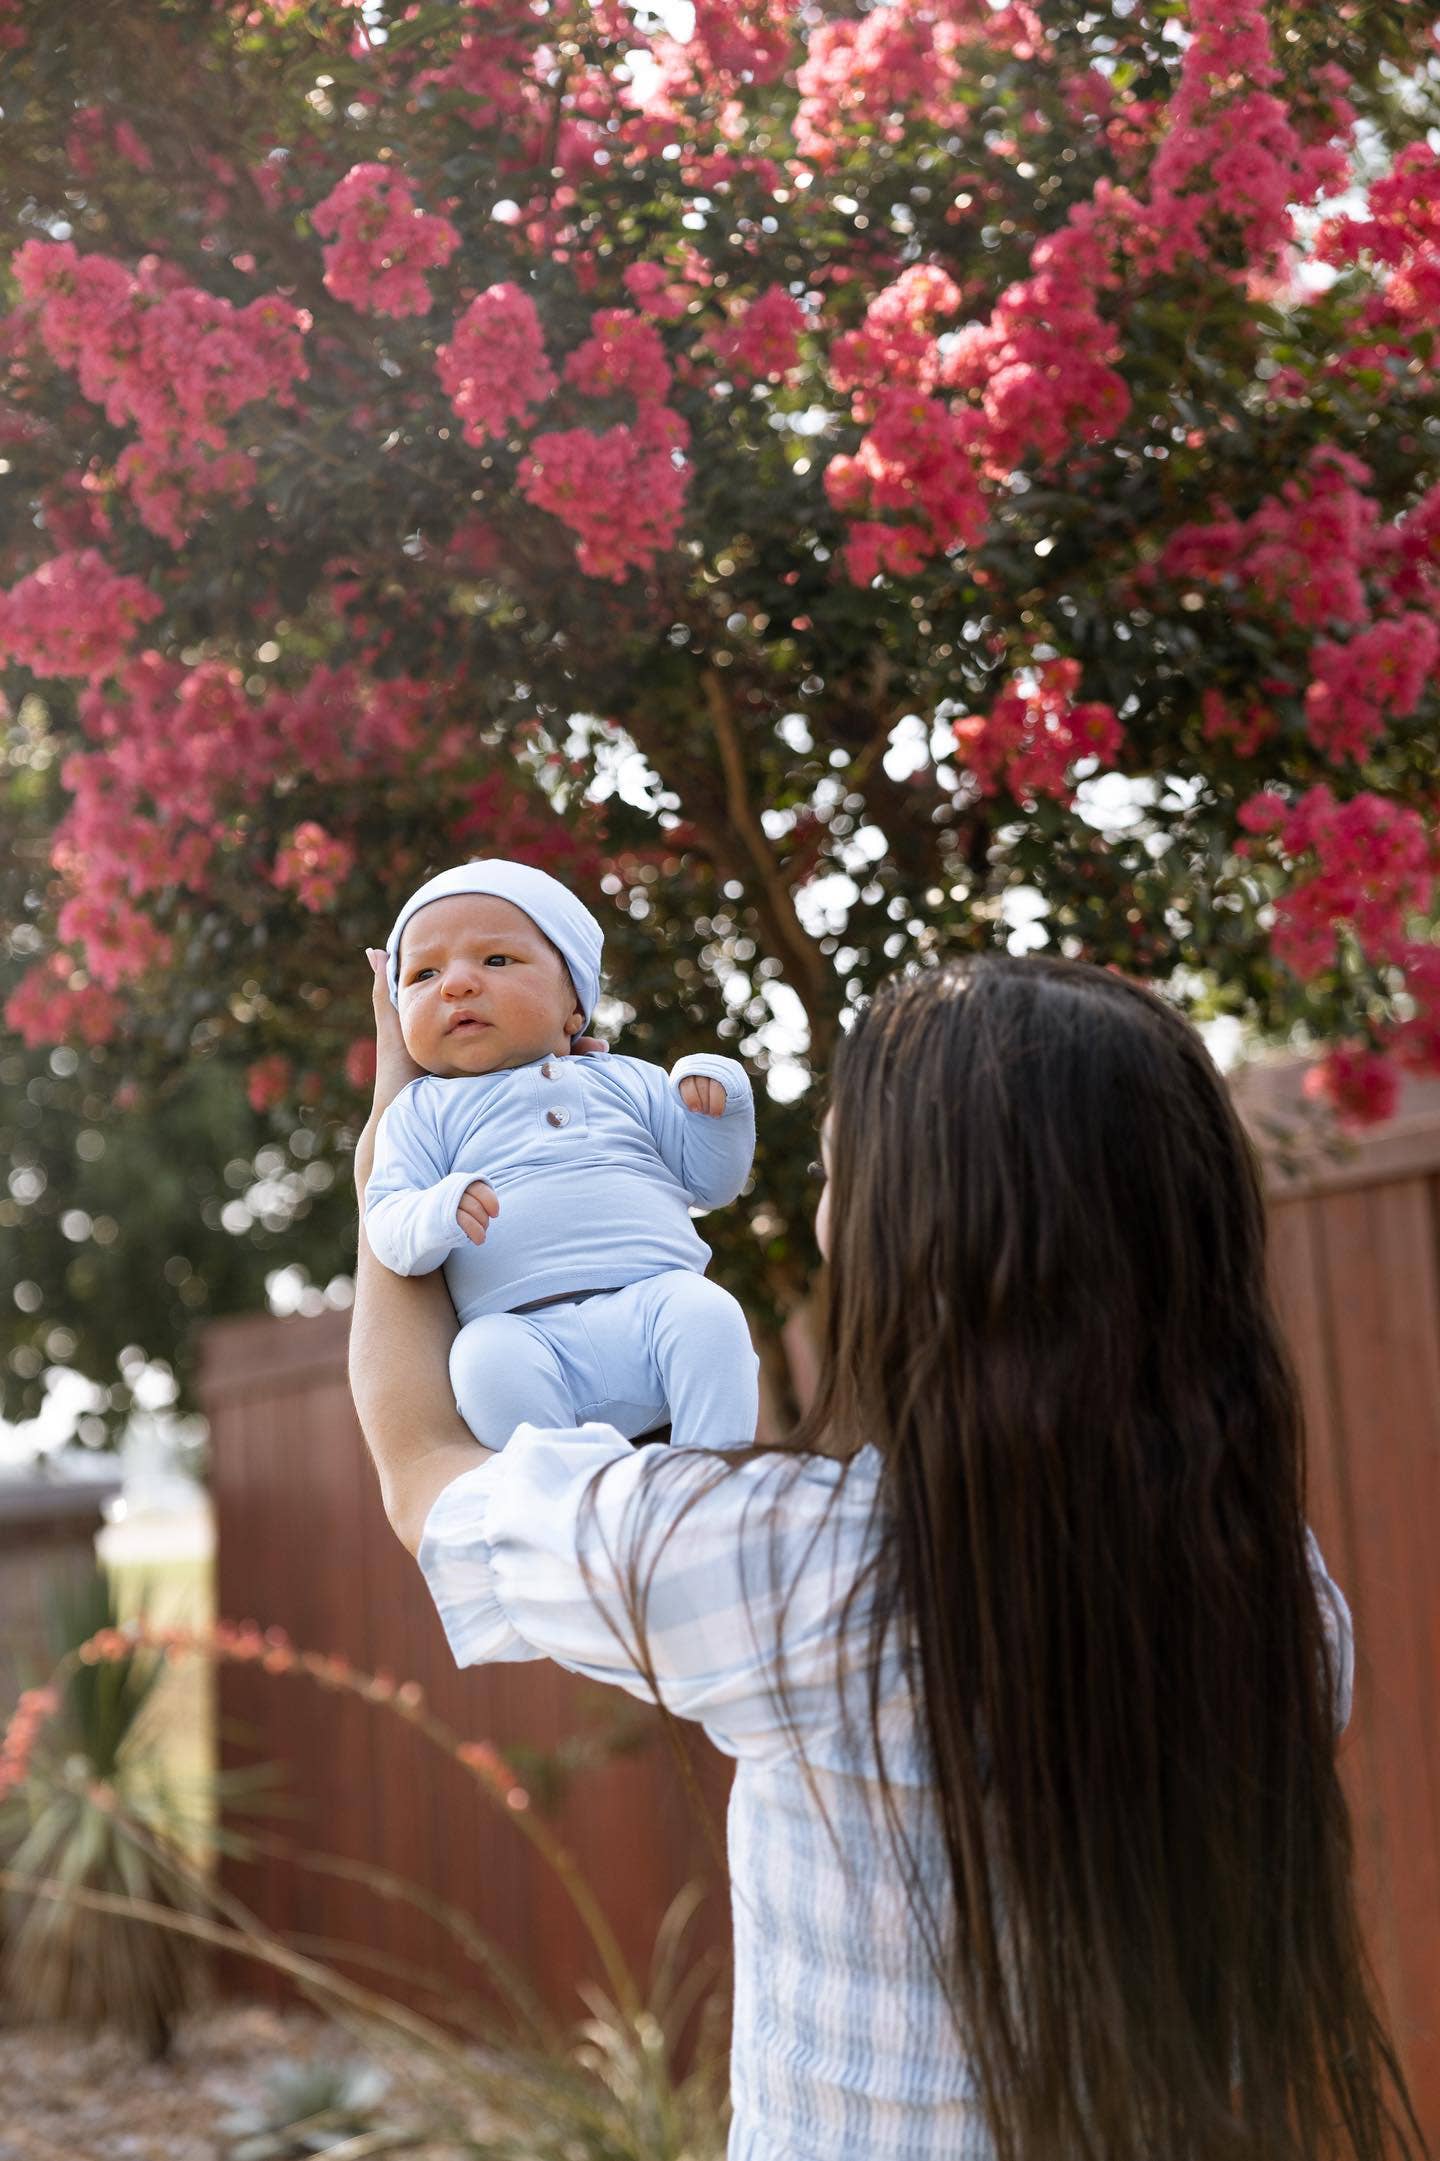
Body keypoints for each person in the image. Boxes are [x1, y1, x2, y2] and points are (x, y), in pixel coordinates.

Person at [349, 948, 1425, 2161]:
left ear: (914, 1234)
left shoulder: (802, 1570)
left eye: (830, 1174)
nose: (820, 1210)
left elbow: (428, 1470)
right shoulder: (1279, 1592)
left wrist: (394, 1149)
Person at [363, 859, 759, 1452]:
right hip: (525, 1334)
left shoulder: (628, 1080)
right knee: (480, 1359)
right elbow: (388, 1222)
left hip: (652, 1308)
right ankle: (567, 1500)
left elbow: (711, 1182)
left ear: (575, 1005)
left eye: (496, 960)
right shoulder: (420, 1111)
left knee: (709, 1314)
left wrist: (723, 1107)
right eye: (422, 974)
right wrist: (438, 1211)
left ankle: (710, 1476)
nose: (456, 984)